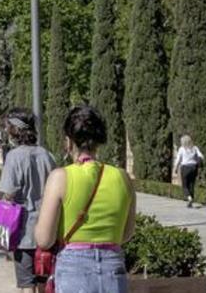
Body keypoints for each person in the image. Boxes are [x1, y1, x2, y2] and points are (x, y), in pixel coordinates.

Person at [35, 105, 137, 293]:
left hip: (74, 268)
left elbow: (44, 239)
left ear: (68, 141)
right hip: (112, 267)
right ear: (99, 141)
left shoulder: (60, 177)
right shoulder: (123, 177)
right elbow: (126, 234)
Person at [0, 108, 58, 293]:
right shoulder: (48, 156)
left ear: (15, 130)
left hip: (23, 232)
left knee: (27, 285)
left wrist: (0, 230)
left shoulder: (14, 157)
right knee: (44, 281)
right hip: (48, 231)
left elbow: (8, 194)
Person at [172, 135, 203, 208]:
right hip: (194, 168)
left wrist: (175, 168)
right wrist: (198, 161)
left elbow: (178, 159)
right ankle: (191, 201)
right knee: (192, 184)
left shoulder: (182, 149)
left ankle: (189, 198)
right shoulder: (195, 148)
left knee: (185, 185)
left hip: (185, 168)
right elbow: (201, 156)